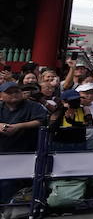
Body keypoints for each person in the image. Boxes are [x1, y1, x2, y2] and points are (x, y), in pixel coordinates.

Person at [0, 80, 49, 211]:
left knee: (26, 180)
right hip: (4, 151)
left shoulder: (33, 106)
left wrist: (19, 126)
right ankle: (6, 207)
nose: (14, 94)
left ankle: (21, 208)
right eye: (9, 92)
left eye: (16, 91)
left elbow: (42, 120)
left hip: (28, 151)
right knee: (5, 181)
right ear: (1, 96)